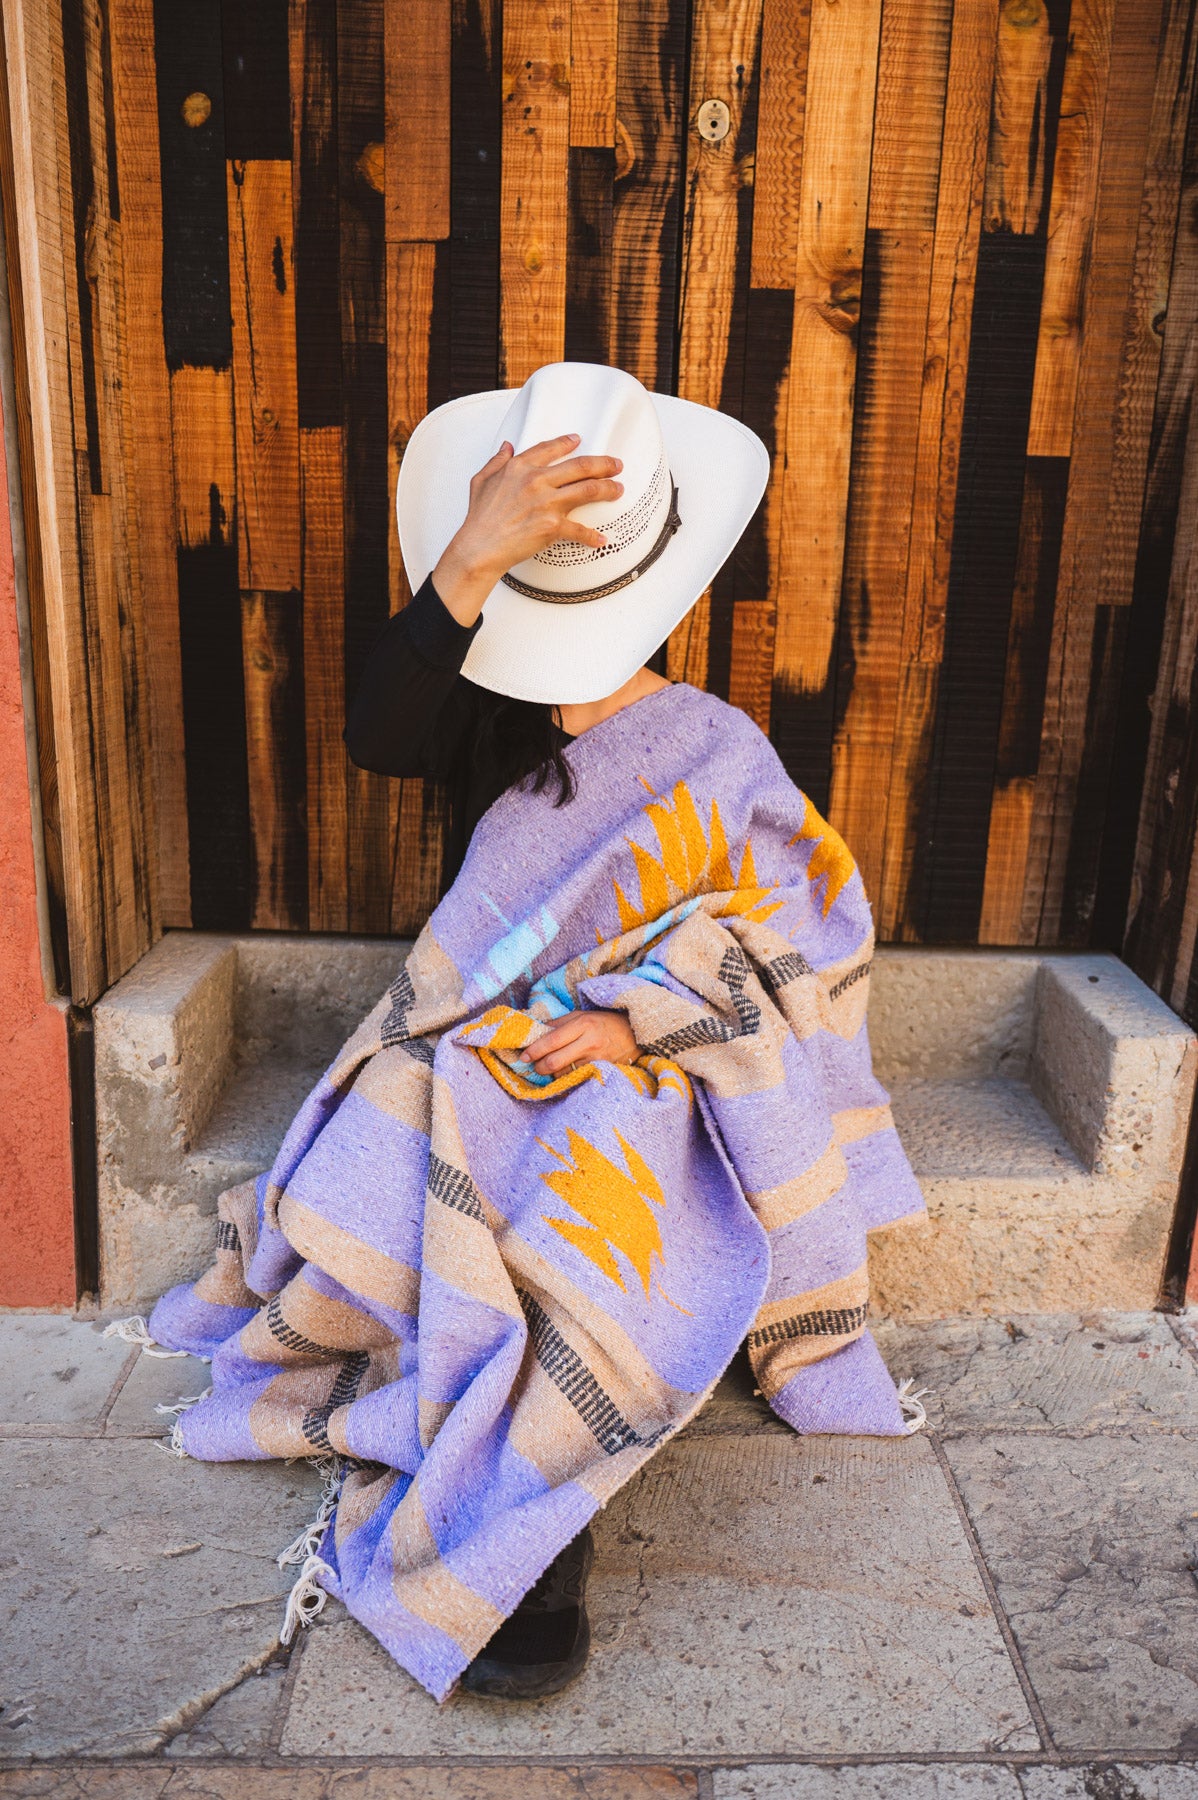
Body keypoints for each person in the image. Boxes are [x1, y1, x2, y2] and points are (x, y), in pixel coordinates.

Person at [142, 361, 926, 1709]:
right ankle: (503, 1465)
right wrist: (473, 554)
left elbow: (803, 937)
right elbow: (375, 729)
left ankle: (541, 1520)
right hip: (473, 1033)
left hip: (650, 1063)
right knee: (430, 1132)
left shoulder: (716, 744)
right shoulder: (472, 712)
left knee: (601, 1187)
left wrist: (646, 1029)